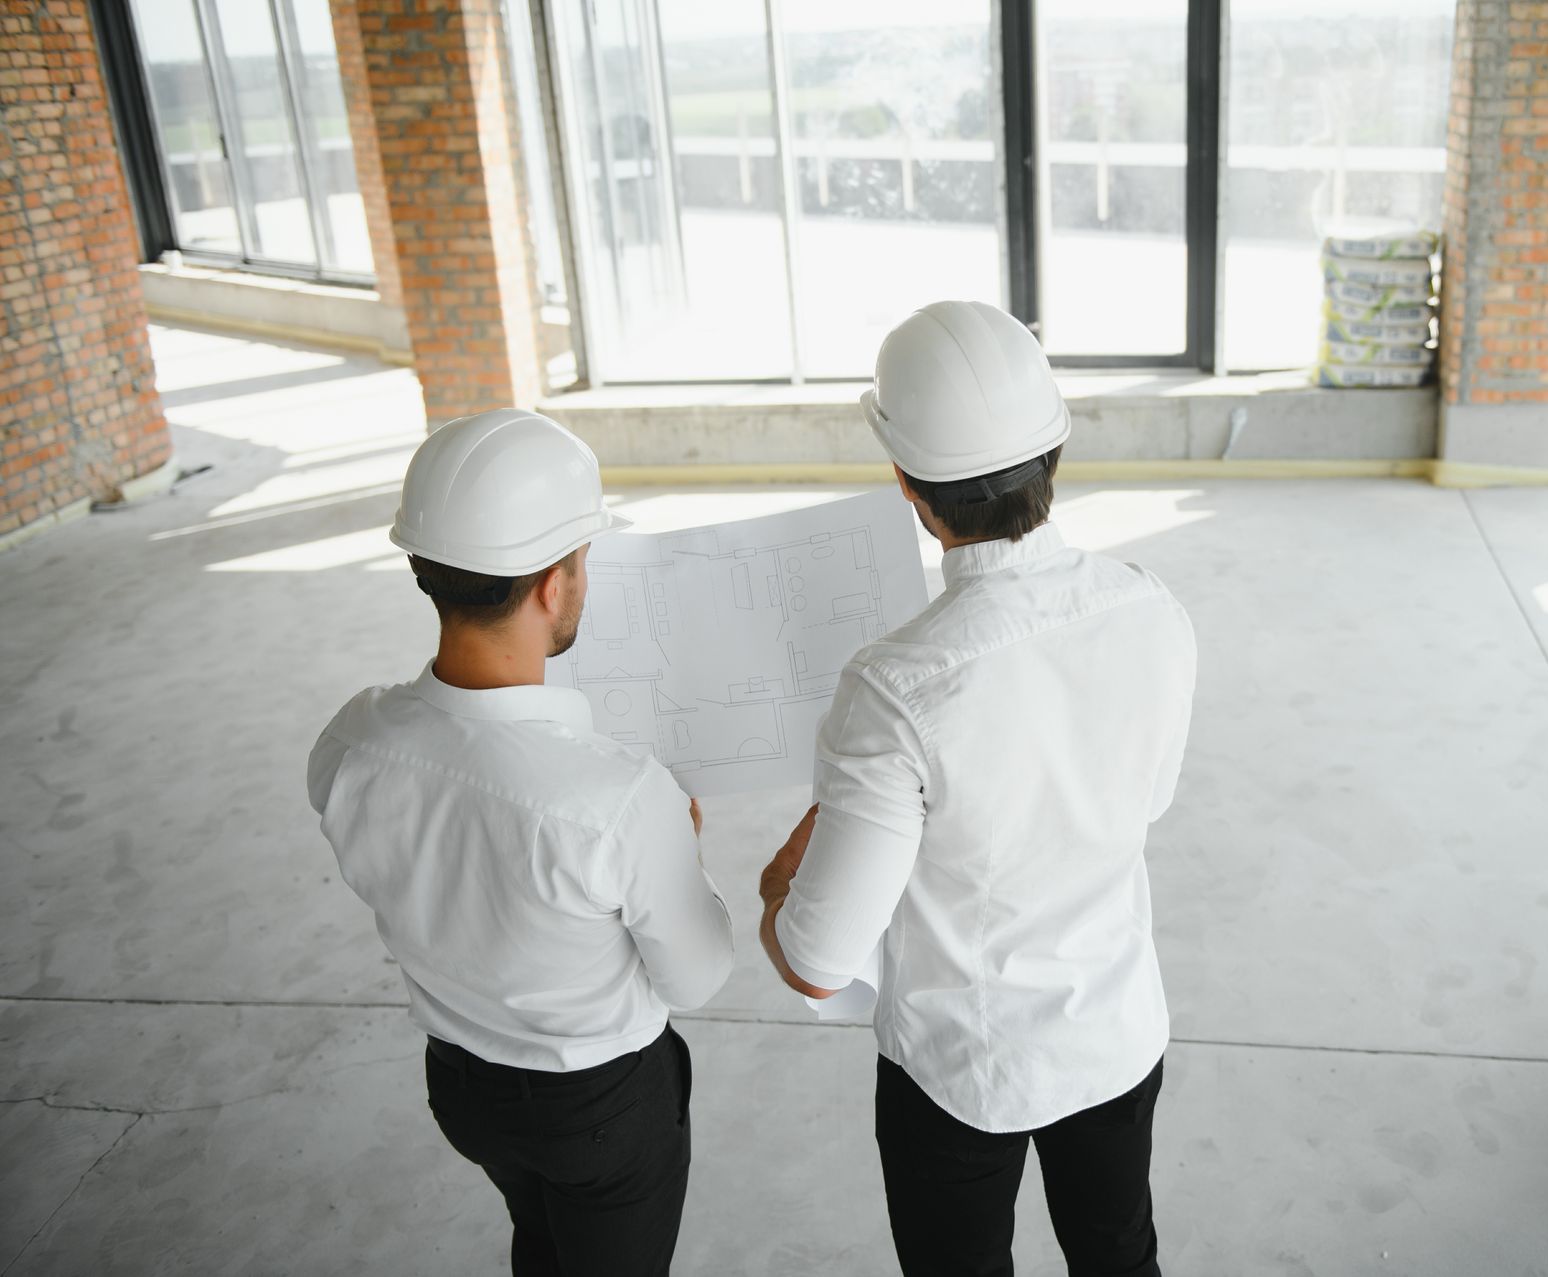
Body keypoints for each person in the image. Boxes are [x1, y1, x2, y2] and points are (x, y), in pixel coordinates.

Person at [757, 301, 1197, 1277]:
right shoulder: (1152, 608)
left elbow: (817, 959)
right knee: (1119, 1251)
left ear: (907, 483)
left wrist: (778, 882)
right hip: (1114, 1032)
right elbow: (1145, 802)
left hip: (963, 1067)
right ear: (1055, 448)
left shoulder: (893, 686)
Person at [307, 409, 732, 1277]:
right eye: (582, 560)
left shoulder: (347, 742)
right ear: (552, 586)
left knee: (537, 1234)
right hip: (602, 1109)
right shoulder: (616, 795)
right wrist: (681, 855)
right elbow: (697, 973)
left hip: (463, 1090)